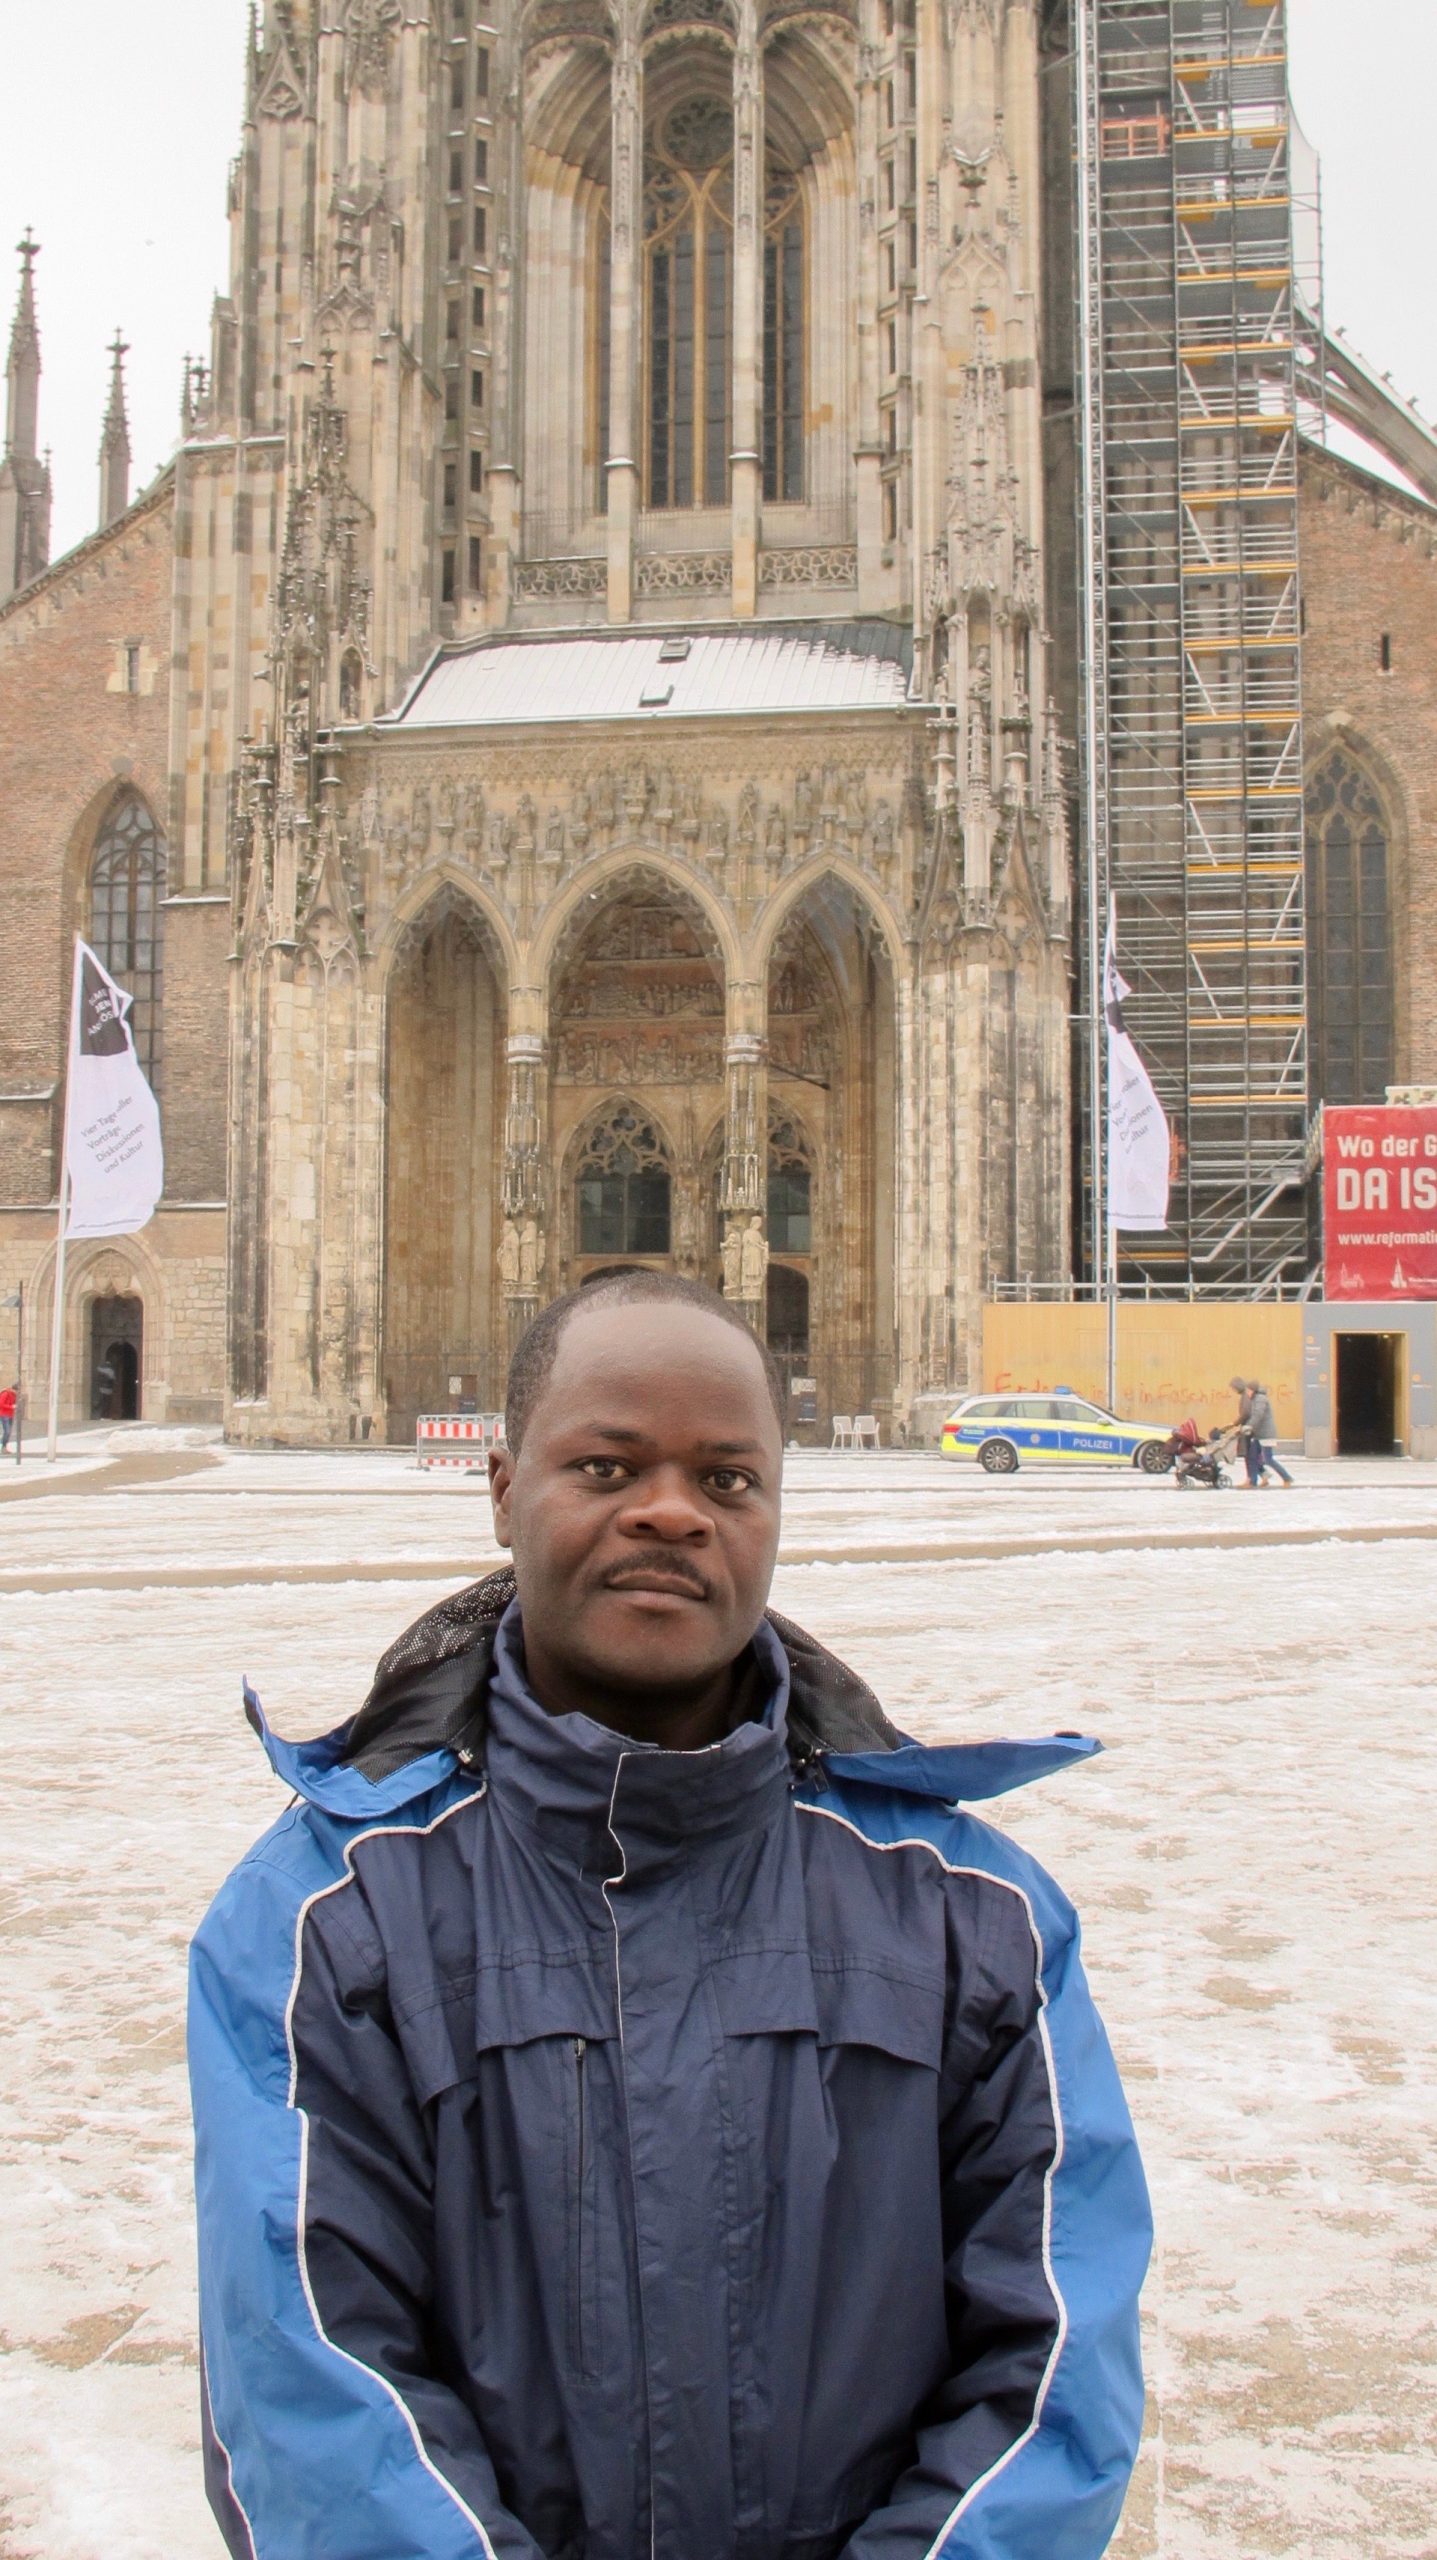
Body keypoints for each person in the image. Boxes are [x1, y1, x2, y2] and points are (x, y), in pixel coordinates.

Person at [190, 1273, 1151, 2560]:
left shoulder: (970, 1919)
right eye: (605, 1466)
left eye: (727, 1479)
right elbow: (308, 2386)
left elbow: (1056, 2361)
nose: (670, 1512)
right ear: (501, 1488)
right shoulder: (325, 1923)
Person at [1245, 1378, 1294, 1487]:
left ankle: (1287, 1478)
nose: (1247, 1393)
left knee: (1268, 1459)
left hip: (1266, 1434)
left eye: (1248, 1390)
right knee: (1252, 1457)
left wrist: (1249, 1426)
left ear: (1253, 1390)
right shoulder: (1255, 1399)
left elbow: (1258, 1415)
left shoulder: (1260, 1399)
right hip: (1258, 1435)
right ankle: (1254, 1481)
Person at [0, 1380, 15, 1453]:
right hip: (4, 1414)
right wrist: (11, 1407)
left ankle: (4, 1447)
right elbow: (1, 1404)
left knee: (8, 1432)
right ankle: (3, 1446)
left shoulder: (14, 1395)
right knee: (7, 1431)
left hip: (10, 1415)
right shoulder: (6, 1393)